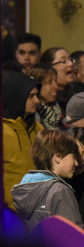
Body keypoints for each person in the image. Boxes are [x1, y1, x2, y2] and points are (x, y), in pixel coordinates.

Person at [12, 129, 83, 230]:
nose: (76, 163)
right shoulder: (60, 191)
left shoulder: (24, 186)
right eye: (73, 157)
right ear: (57, 157)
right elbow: (74, 235)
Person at [3, 72, 41, 208]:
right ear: (16, 96)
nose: (37, 101)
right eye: (31, 96)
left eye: (37, 95)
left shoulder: (39, 129)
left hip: (35, 213)